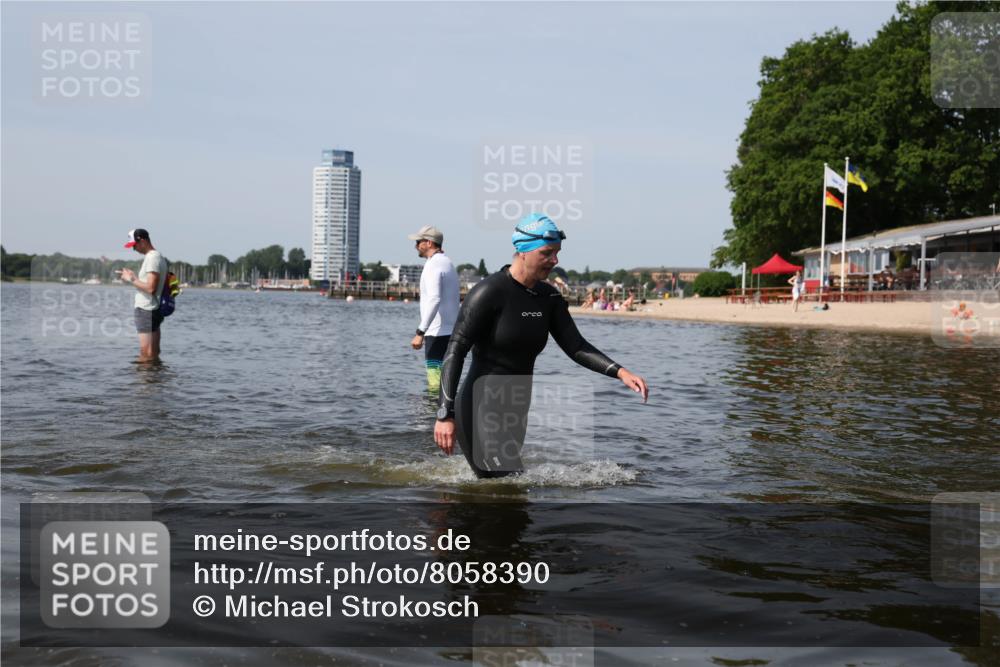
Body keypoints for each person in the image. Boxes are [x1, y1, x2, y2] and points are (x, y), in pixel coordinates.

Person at [433, 214, 649, 478]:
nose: (555, 260)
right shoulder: (489, 292)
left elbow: (576, 346)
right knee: (503, 486)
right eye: (547, 253)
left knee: (510, 487)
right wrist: (444, 414)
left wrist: (621, 372)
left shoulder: (549, 298)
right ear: (523, 250)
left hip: (516, 409)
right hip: (480, 406)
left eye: (557, 253)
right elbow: (455, 350)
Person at [407, 225, 460, 393]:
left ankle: (432, 409)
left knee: (435, 385)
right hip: (451, 332)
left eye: (418, 242)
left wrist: (420, 332)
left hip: (437, 333)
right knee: (447, 383)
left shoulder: (433, 265)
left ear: (429, 243)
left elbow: (434, 299)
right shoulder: (447, 262)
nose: (416, 245)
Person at [118, 228, 167, 363]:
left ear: (143, 241)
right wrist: (133, 277)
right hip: (153, 309)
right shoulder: (157, 256)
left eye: (134, 245)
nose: (134, 249)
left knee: (146, 353)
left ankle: (144, 376)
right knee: (153, 353)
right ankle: (155, 375)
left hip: (146, 310)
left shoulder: (152, 258)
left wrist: (131, 279)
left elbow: (151, 288)